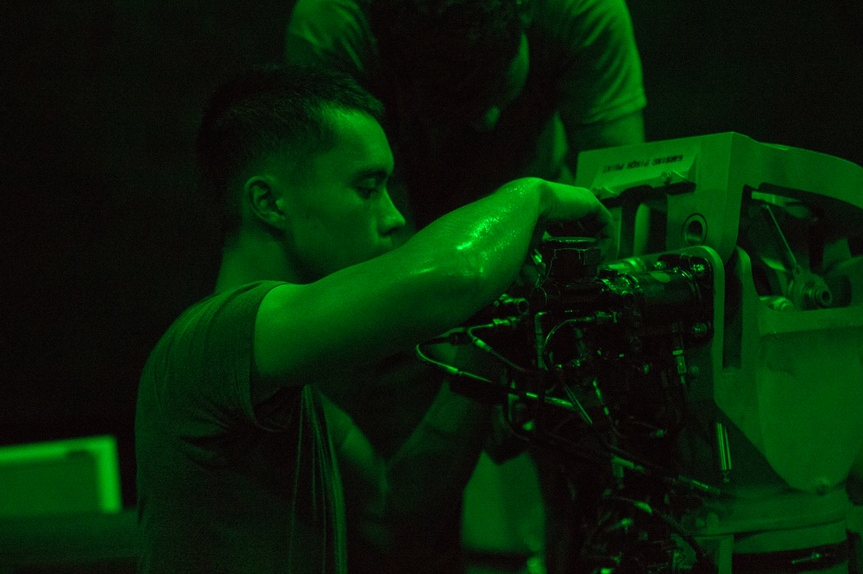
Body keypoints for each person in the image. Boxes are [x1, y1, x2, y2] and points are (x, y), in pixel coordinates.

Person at [133, 64, 615, 573]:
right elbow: (454, 273)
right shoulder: (210, 339)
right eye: (367, 188)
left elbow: (393, 516)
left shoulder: (292, 393)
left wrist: (489, 357)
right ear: (269, 202)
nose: (393, 217)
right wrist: (533, 195)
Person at [286, 0, 647, 228]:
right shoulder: (334, 34)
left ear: (524, 10)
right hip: (412, 224)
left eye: (500, 84)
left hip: (542, 215)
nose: (487, 121)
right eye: (457, 103)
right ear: (392, 64)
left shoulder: (579, 0)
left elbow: (623, 194)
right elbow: (364, 225)